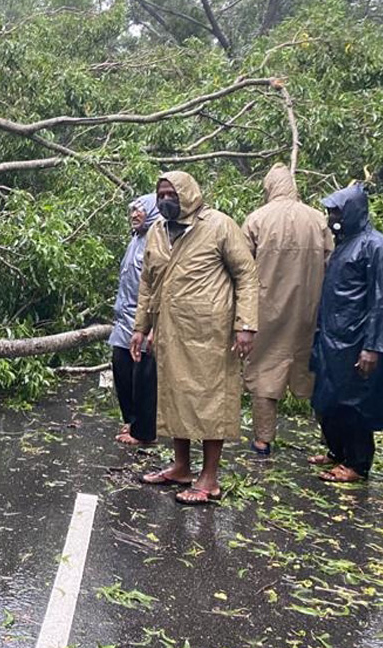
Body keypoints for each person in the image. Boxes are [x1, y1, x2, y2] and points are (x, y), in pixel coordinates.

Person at [130, 171, 259, 505]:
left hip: (211, 333)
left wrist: (246, 325)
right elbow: (148, 283)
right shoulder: (157, 231)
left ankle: (209, 478)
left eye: (171, 194)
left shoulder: (218, 225)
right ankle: (182, 467)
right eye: (161, 195)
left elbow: (246, 274)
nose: (165, 201)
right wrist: (140, 328)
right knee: (176, 397)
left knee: (210, 400)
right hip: (170, 332)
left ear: (188, 193)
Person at [309, 183, 383, 483]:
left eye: (336, 211)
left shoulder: (377, 246)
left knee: (355, 406)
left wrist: (373, 347)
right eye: (330, 211)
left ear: (353, 211)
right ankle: (337, 451)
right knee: (329, 400)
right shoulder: (345, 244)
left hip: (357, 341)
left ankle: (358, 464)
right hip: (333, 339)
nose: (331, 216)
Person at [241, 164, 333, 456]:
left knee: (264, 372)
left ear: (269, 187)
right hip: (311, 309)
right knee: (316, 372)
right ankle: (331, 440)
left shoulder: (257, 219)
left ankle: (263, 439)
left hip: (267, 310)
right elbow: (333, 264)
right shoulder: (319, 221)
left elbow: (242, 269)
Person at [109, 194, 161, 445]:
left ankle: (144, 432)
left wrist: (154, 326)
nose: (133, 216)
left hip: (146, 318)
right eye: (132, 212)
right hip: (124, 318)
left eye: (139, 212)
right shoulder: (135, 239)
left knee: (144, 376)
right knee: (120, 365)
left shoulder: (159, 237)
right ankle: (131, 420)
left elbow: (160, 283)